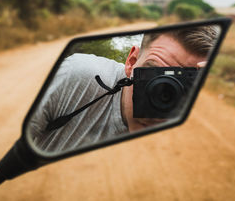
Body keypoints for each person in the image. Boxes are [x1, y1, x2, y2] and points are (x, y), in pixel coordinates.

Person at [29, 25, 219, 152]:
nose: (157, 115)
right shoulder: (78, 75)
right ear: (131, 62)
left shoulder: (194, 122)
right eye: (153, 75)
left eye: (182, 87)